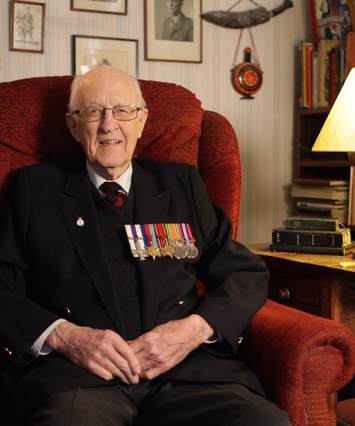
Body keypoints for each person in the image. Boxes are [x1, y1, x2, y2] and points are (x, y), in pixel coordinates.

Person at [0, 65, 291, 426]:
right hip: (79, 379)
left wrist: (193, 329)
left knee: (264, 422)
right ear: (73, 125)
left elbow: (244, 272)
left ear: (141, 121)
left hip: (187, 374)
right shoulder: (34, 190)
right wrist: (65, 336)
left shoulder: (182, 184)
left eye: (122, 111)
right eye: (93, 112)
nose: (109, 125)